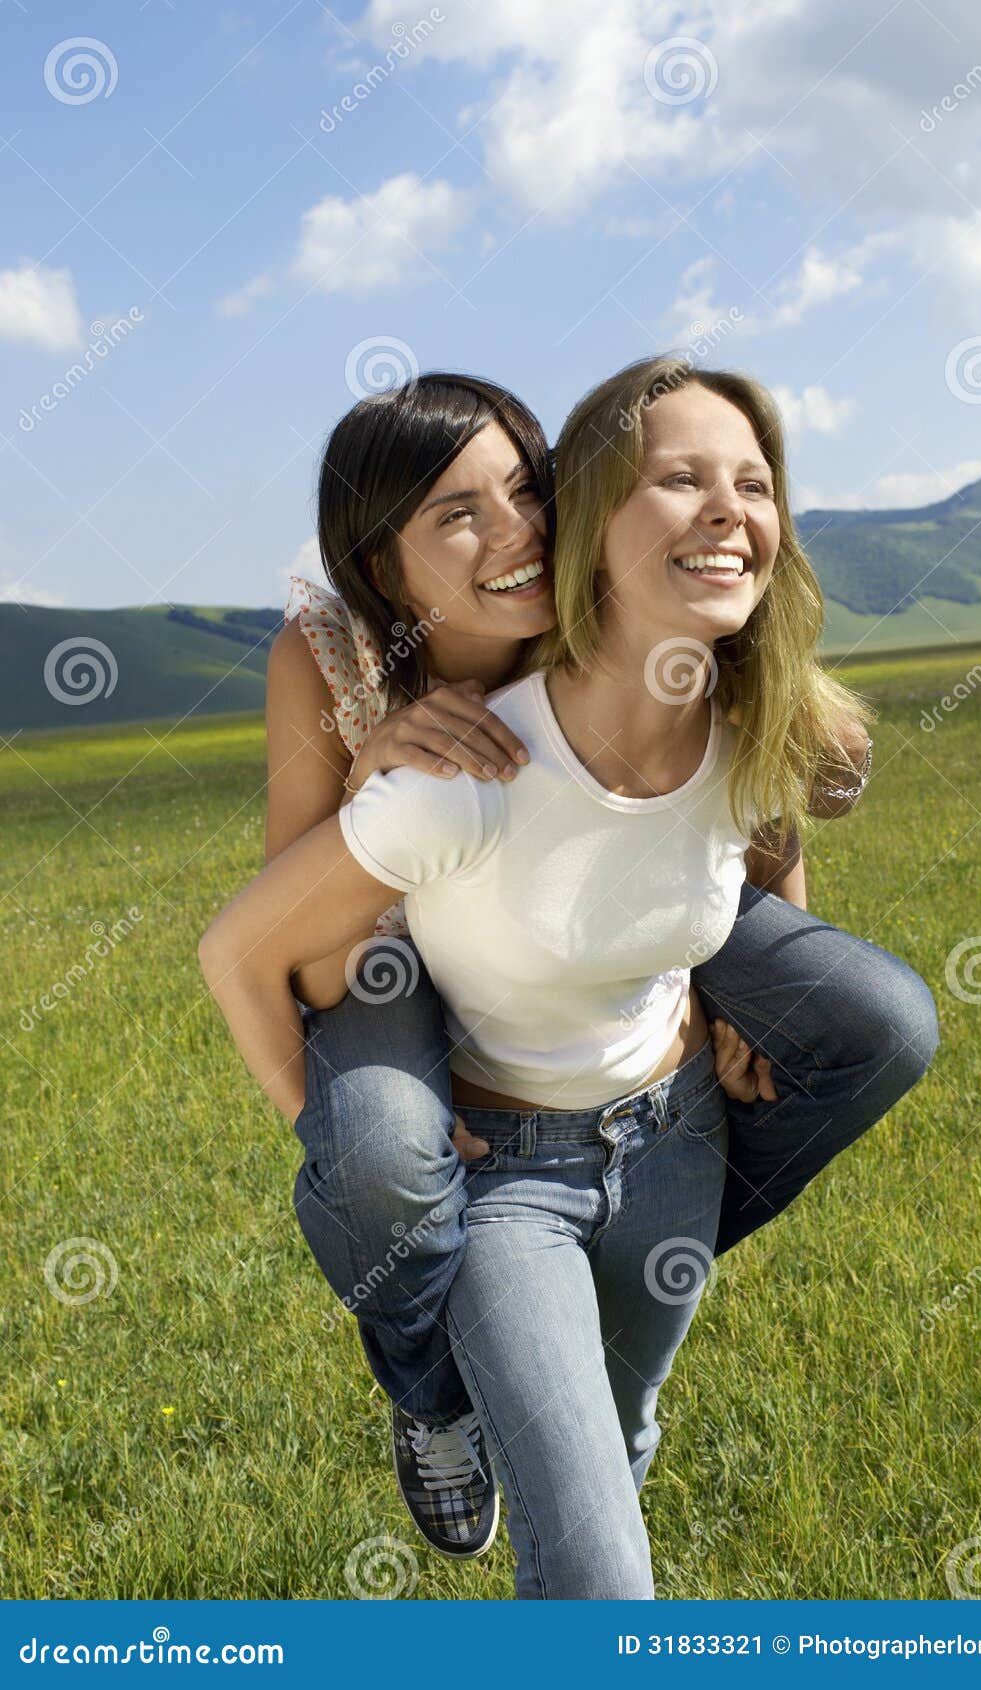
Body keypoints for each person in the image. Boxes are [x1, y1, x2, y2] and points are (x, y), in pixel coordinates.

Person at [200, 357, 938, 1596]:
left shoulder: (606, 600)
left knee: (877, 1018)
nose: (517, 533)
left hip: (622, 978)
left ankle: (571, 1396)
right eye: (456, 512)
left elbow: (753, 777)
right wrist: (374, 776)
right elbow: (302, 950)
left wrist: (744, 992)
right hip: (394, 942)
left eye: (529, 489)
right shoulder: (337, 663)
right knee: (384, 1146)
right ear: (383, 568)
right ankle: (435, 1382)